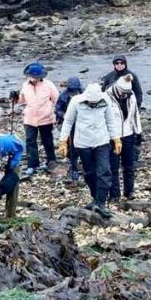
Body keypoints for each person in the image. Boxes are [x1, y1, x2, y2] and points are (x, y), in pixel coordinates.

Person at [58, 82, 121, 219]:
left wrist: (116, 138)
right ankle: (95, 197)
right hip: (83, 142)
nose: (93, 104)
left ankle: (101, 202)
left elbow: (111, 120)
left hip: (102, 141)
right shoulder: (76, 101)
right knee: (89, 172)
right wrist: (63, 141)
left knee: (104, 170)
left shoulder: (106, 100)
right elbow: (68, 121)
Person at [16, 62, 59, 178]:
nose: (34, 79)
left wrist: (59, 113)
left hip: (46, 118)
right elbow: (21, 100)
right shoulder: (25, 85)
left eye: (36, 77)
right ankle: (32, 164)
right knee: (30, 141)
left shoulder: (48, 85)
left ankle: (51, 161)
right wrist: (15, 97)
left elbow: (57, 100)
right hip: (30, 119)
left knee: (47, 141)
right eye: (32, 76)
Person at [107, 74, 142, 205]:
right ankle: (114, 194)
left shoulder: (131, 95)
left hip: (128, 134)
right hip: (112, 137)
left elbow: (135, 114)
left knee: (129, 165)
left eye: (127, 93)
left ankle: (129, 191)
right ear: (117, 88)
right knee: (113, 167)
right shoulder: (106, 98)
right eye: (123, 93)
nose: (125, 95)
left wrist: (138, 132)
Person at [55, 77, 84, 184]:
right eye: (71, 90)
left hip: (82, 123)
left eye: (75, 90)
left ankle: (84, 164)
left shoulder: (84, 94)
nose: (73, 92)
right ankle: (74, 168)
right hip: (68, 124)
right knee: (71, 147)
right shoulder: (63, 96)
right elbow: (57, 109)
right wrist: (66, 116)